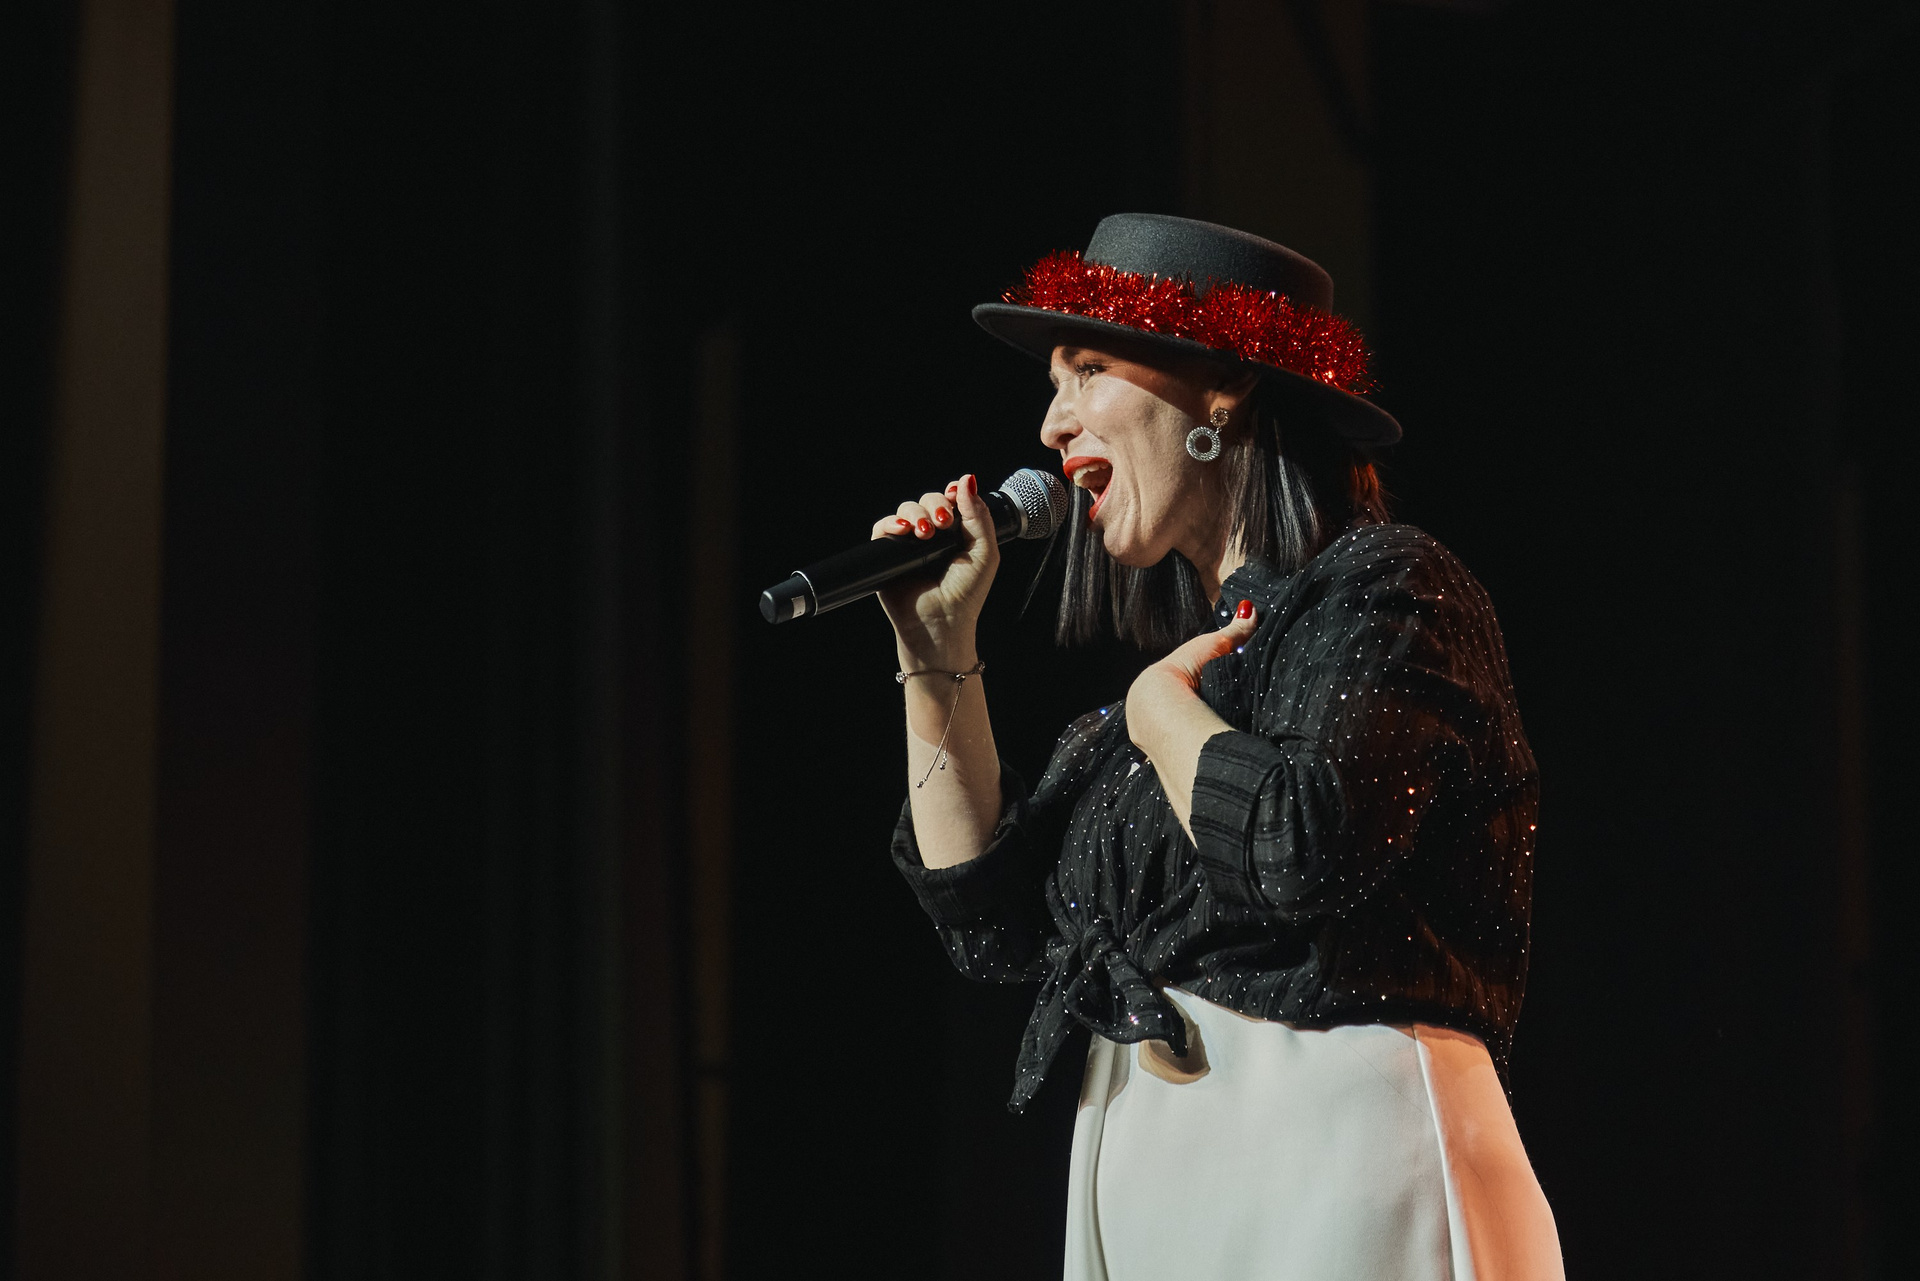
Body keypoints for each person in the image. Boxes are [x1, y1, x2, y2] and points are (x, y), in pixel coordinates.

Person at [874, 214, 1561, 1280]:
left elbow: (1302, 846)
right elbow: (988, 920)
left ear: (1226, 384)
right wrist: (935, 654)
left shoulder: (1387, 590)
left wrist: (1163, 714)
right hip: (1155, 1185)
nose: (1053, 424)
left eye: (1089, 370)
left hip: (1335, 1165)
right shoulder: (1147, 712)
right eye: (1053, 384)